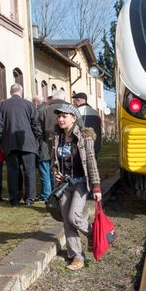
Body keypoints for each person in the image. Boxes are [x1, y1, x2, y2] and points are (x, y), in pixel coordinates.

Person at [49, 103, 102, 271]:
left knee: (74, 217)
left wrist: (96, 187)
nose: (61, 119)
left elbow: (91, 163)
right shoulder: (56, 137)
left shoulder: (84, 137)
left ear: (74, 118)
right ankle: (77, 256)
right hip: (64, 184)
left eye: (64, 116)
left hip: (80, 182)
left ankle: (92, 232)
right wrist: (55, 172)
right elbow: (54, 161)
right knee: (67, 221)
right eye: (59, 116)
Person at [0, 84, 40, 206]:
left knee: (12, 172)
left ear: (10, 92)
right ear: (22, 91)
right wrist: (36, 139)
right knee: (29, 171)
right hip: (28, 142)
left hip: (10, 142)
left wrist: (1, 142)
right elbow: (35, 124)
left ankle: (14, 199)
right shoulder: (29, 104)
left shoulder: (3, 105)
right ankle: (30, 198)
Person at [33, 95, 53, 201]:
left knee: (44, 171)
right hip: (52, 145)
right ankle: (53, 192)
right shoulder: (50, 109)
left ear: (36, 103)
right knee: (51, 171)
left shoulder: (38, 111)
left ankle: (46, 195)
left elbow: (37, 130)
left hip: (43, 145)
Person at [72, 92, 102, 157]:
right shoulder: (96, 113)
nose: (73, 103)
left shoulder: (75, 112)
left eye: (74, 101)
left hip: (81, 146)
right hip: (95, 145)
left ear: (78, 101)